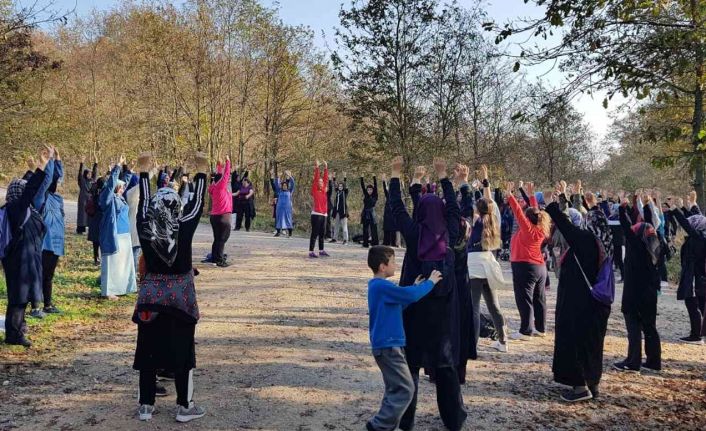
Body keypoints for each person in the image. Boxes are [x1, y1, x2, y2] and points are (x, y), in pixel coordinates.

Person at [389, 156, 467, 431]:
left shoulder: (414, 234)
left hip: (415, 311)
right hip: (444, 314)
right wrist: (444, 176)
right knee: (446, 367)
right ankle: (454, 420)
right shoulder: (451, 234)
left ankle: (406, 420)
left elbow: (397, 209)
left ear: (420, 213)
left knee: (411, 366)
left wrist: (398, 175)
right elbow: (454, 208)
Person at [133, 152, 208, 423]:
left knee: (147, 351)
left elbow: (143, 203)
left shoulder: (145, 226)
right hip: (180, 301)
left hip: (150, 300)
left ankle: (146, 406)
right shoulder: (183, 227)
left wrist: (143, 174)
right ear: (177, 208)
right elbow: (197, 204)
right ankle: (185, 406)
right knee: (183, 353)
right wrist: (202, 173)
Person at [366, 245, 442, 431]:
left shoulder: (379, 287)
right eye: (393, 262)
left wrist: (415, 286)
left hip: (388, 345)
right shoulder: (382, 286)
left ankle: (385, 426)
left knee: (394, 388)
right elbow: (410, 296)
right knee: (406, 389)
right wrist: (430, 283)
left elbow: (400, 303)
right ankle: (378, 426)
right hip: (389, 346)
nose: (395, 265)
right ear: (383, 267)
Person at [545, 189, 611, 402]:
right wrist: (581, 201)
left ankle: (580, 387)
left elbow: (567, 227)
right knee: (593, 345)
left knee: (576, 342)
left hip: (579, 303)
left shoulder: (586, 240)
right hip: (596, 303)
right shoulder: (603, 242)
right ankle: (593, 384)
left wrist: (552, 205)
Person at [2, 147, 52, 347]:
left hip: (27, 259)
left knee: (23, 297)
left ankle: (19, 328)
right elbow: (28, 190)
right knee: (18, 297)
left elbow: (24, 187)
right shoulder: (16, 209)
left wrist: (31, 171)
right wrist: (41, 167)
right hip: (18, 260)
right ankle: (13, 334)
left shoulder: (23, 209)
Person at [613, 195, 661, 373]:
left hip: (634, 294)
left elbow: (626, 227)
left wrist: (622, 208)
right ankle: (654, 361)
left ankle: (633, 362)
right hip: (650, 294)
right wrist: (647, 206)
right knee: (650, 327)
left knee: (633, 328)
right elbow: (649, 224)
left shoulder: (635, 246)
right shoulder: (654, 245)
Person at [467, 165, 508, 353]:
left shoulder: (476, 220)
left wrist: (473, 184)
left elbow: (483, 202)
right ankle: (503, 341)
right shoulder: (494, 220)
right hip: (489, 262)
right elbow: (489, 202)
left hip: (475, 264)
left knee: (474, 307)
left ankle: (473, 345)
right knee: (494, 306)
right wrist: (486, 182)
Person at [507, 181, 549, 340]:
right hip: (540, 267)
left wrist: (510, 195)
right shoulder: (540, 227)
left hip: (524, 266)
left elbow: (518, 211)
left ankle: (526, 331)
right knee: (539, 299)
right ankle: (541, 328)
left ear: (527, 218)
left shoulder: (528, 228)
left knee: (524, 299)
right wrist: (531, 195)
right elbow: (535, 211)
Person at [667, 197, 706, 344]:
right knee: (701, 306)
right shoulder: (702, 233)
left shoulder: (698, 237)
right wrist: (686, 206)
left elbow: (687, 224)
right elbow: (696, 217)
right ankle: (699, 333)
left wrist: (674, 210)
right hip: (699, 277)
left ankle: (696, 335)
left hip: (695, 278)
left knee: (693, 305)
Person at [31, 149, 65, 316]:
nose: (56, 183)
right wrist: (50, 160)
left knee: (49, 276)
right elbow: (47, 180)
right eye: (54, 181)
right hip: (44, 243)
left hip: (56, 244)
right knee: (39, 275)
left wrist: (58, 160)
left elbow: (59, 177)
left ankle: (48, 305)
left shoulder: (57, 199)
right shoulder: (40, 197)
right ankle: (35, 306)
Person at [99, 156, 137, 299]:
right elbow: (111, 185)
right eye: (120, 187)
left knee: (123, 264)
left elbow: (123, 183)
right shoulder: (107, 199)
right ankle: (108, 291)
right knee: (112, 264)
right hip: (113, 235)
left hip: (124, 235)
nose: (122, 189)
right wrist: (118, 167)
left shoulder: (120, 197)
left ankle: (123, 287)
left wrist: (130, 171)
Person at [207, 156, 232, 267]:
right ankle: (220, 260)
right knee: (222, 238)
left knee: (217, 239)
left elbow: (218, 177)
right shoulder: (221, 187)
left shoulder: (213, 188)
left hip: (214, 217)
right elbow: (225, 175)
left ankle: (214, 257)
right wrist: (228, 162)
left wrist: (219, 167)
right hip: (223, 217)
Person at [309, 160, 330, 258]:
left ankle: (321, 250)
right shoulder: (315, 190)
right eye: (320, 182)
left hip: (324, 215)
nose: (321, 183)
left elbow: (326, 179)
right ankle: (311, 251)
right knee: (315, 233)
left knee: (322, 234)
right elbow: (316, 179)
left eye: (322, 182)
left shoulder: (324, 191)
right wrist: (317, 167)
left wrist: (326, 168)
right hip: (316, 215)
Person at [87, 173, 105, 266]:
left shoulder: (93, 190)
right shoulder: (103, 194)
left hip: (93, 219)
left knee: (95, 241)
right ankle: (100, 258)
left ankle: (96, 258)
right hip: (100, 219)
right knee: (101, 240)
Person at [271, 169, 295, 237]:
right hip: (279, 208)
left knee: (288, 220)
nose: (284, 186)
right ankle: (278, 232)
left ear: (287, 186)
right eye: (283, 185)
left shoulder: (290, 191)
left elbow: (293, 184)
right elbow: (276, 184)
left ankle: (290, 233)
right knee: (279, 219)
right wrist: (278, 177)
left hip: (287, 209)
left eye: (285, 185)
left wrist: (290, 176)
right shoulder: (279, 191)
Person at [77, 156, 97, 234]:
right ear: (85, 174)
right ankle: (80, 230)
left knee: (90, 215)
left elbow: (95, 174)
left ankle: (90, 229)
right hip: (83, 200)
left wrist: (96, 163)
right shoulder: (82, 180)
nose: (89, 175)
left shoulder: (92, 181)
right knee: (82, 215)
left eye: (90, 174)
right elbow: (79, 174)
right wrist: (81, 163)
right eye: (88, 174)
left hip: (90, 200)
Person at [360, 175, 380, 248]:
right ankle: (365, 243)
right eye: (368, 190)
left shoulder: (375, 195)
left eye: (370, 190)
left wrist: (374, 177)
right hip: (365, 213)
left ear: (372, 190)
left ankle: (375, 243)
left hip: (372, 213)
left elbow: (376, 186)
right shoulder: (366, 195)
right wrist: (362, 177)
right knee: (365, 229)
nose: (369, 191)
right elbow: (362, 186)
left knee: (373, 229)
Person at [330, 173, 349, 244]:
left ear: (343, 187)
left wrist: (345, 177)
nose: (340, 187)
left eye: (341, 186)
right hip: (337, 212)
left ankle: (345, 240)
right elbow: (334, 185)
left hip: (343, 212)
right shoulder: (337, 192)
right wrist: (334, 178)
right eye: (339, 186)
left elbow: (345, 185)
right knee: (336, 226)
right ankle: (334, 239)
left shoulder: (345, 192)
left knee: (344, 227)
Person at [382, 175, 399, 247]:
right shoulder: (388, 194)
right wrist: (384, 181)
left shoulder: (396, 195)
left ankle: (393, 243)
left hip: (393, 213)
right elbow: (385, 188)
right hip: (387, 213)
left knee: (393, 229)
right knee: (386, 228)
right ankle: (386, 242)